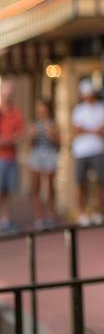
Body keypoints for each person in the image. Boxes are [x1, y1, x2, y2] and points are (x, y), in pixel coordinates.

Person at [71, 78, 104, 226]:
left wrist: (89, 130)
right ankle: (83, 213)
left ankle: (98, 212)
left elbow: (103, 128)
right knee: (81, 183)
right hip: (81, 152)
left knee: (100, 183)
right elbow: (77, 130)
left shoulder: (102, 108)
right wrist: (93, 130)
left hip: (98, 149)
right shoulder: (78, 110)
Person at [26, 98, 61, 229]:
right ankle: (39, 216)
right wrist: (32, 136)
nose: (41, 110)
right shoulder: (34, 124)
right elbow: (29, 144)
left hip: (50, 155)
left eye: (43, 107)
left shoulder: (53, 124)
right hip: (37, 156)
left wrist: (52, 135)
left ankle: (51, 215)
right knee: (37, 187)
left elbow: (59, 144)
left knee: (50, 187)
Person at [0, 80, 24, 234]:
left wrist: (9, 140)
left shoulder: (16, 113)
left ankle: (5, 219)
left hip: (11, 157)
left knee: (8, 190)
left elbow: (20, 135)